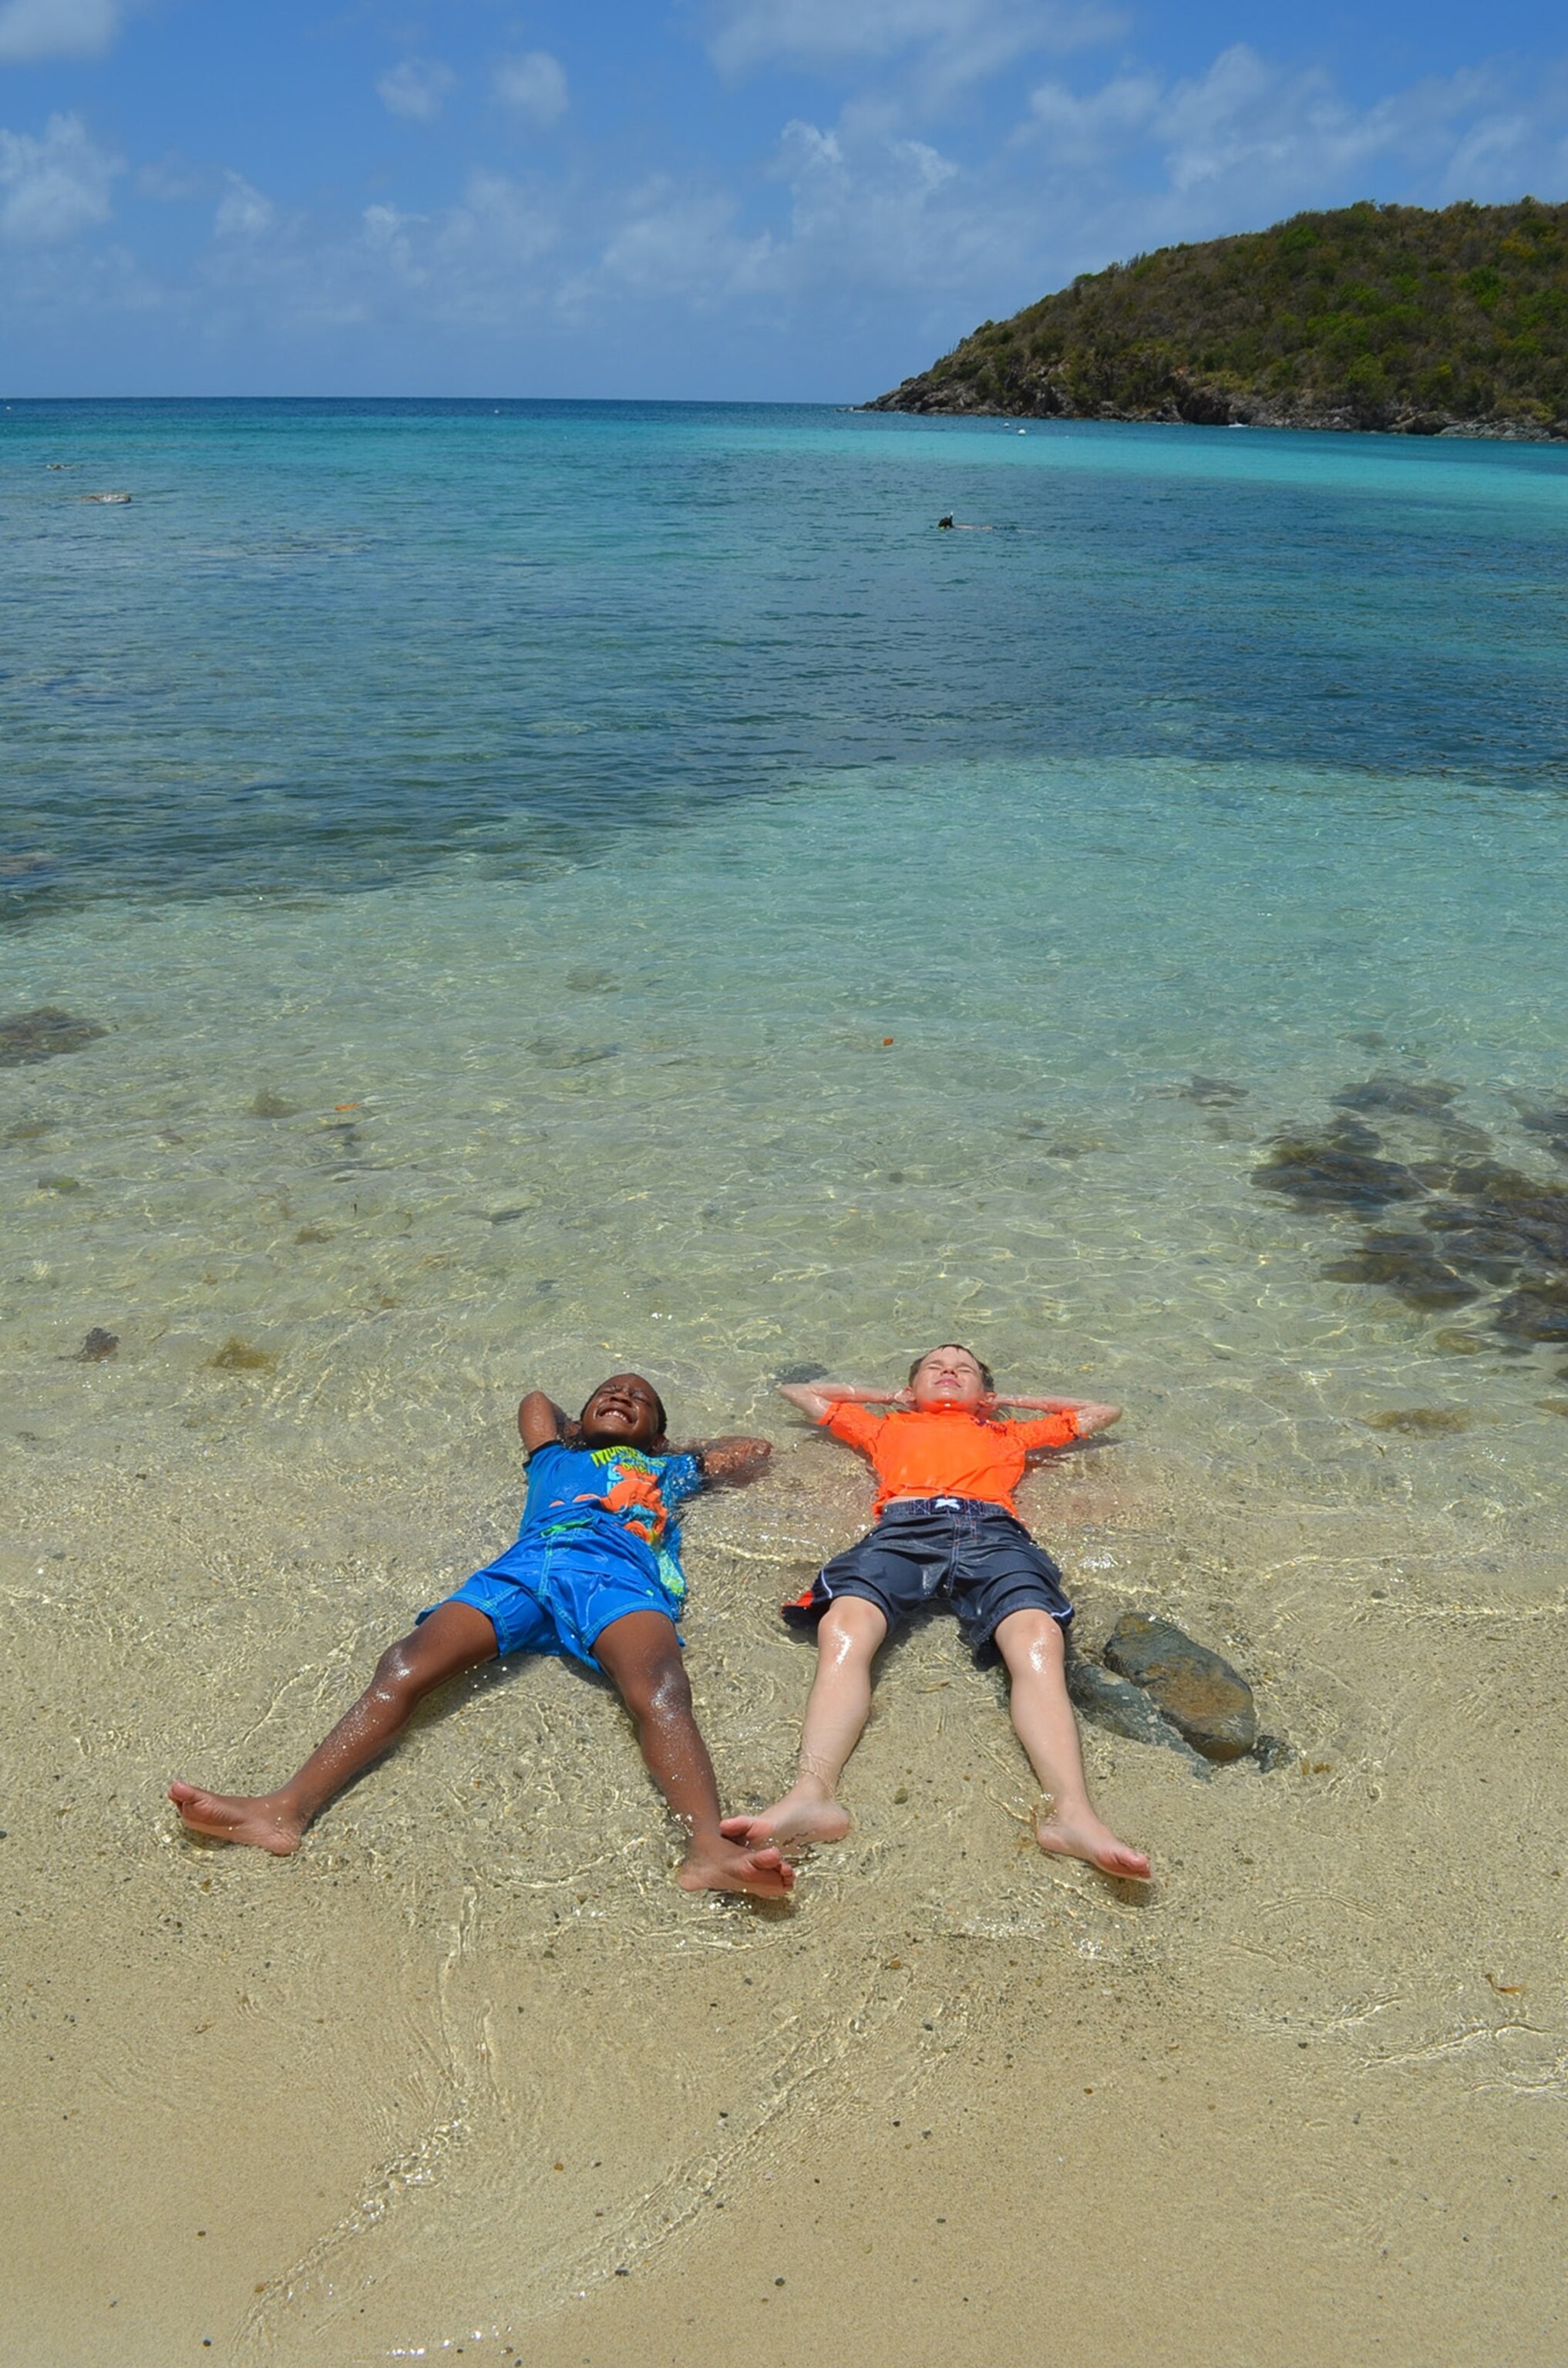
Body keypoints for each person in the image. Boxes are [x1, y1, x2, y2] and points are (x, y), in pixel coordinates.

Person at [170, 1374, 794, 1899]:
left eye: (639, 1401)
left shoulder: (669, 1469)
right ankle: (284, 1811)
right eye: (609, 1392)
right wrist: (582, 1430)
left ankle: (708, 1847)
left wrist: (667, 1450)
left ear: (656, 1434)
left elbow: (754, 1449)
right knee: (403, 1664)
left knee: (659, 1689)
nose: (622, 1396)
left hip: (617, 1575)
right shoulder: (552, 1457)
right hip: (525, 1568)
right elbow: (536, 1401)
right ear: (577, 1422)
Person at [721, 1344, 1150, 1881]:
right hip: (903, 1530)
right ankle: (813, 1794)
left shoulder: (1008, 1433)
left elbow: (1103, 1412)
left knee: (1038, 1636)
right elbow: (799, 1392)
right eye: (935, 1368)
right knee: (845, 1625)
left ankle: (1073, 1815)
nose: (949, 1371)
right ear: (912, 1388)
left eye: (963, 1370)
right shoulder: (884, 1427)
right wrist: (890, 1397)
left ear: (984, 1393)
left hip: (993, 1532)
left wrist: (1007, 1402)